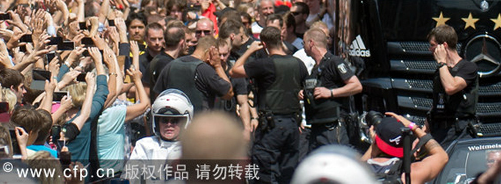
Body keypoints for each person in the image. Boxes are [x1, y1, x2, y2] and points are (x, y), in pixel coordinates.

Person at [229, 26, 307, 184]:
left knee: (265, 171)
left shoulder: (264, 64)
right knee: (288, 170)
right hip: (293, 123)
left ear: (263, 44)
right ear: (281, 40)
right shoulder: (298, 64)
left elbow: (234, 71)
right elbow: (306, 90)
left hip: (271, 126)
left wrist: (250, 50)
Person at [303, 26, 363, 150]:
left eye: (304, 43)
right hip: (317, 125)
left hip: (333, 127)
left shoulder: (335, 62)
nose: (303, 47)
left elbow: (356, 86)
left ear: (311, 43)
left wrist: (330, 93)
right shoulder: (316, 67)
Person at [426, 24, 479, 147]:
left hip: (458, 132)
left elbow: (451, 87)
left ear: (444, 46)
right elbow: (436, 105)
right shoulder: (441, 70)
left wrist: (442, 63)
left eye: (433, 45)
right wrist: (423, 134)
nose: (430, 49)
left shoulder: (468, 67)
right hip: (439, 131)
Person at [152, 35, 233, 112]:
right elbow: (229, 93)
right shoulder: (205, 70)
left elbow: (158, 95)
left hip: (174, 122)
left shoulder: (170, 65)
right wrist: (218, 66)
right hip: (198, 123)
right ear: (210, 52)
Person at [362, 113, 448, 184]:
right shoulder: (410, 173)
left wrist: (374, 144)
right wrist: (413, 127)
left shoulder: (357, 171)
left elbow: (355, 165)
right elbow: (442, 156)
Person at [126, 89, 192, 175]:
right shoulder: (144, 145)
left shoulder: (192, 148)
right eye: (164, 120)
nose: (169, 125)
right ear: (156, 122)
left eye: (174, 121)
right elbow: (131, 176)